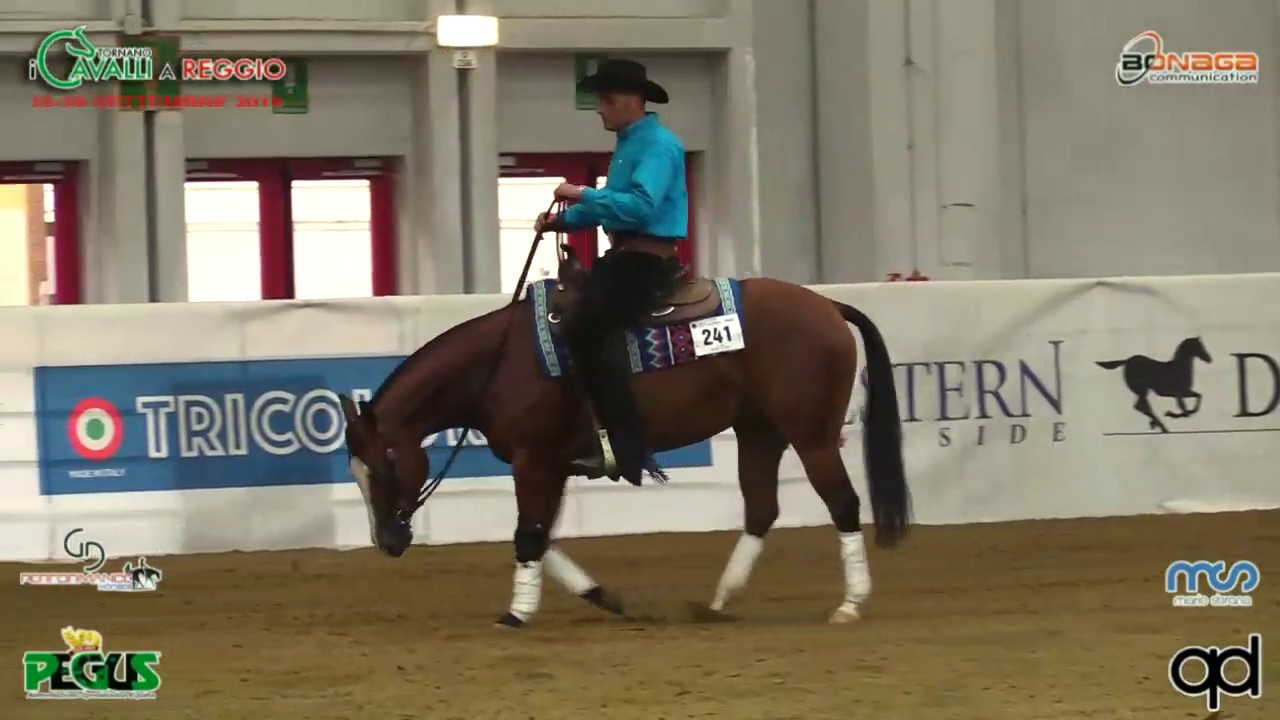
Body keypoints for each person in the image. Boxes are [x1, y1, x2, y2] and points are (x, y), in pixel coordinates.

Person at [535, 58, 688, 487]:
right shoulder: (630, 143)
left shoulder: (657, 145)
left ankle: (625, 444)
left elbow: (640, 206)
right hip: (625, 254)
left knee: (586, 326)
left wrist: (579, 192)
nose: (600, 108)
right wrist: (563, 221)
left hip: (644, 260)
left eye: (608, 99)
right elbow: (615, 205)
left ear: (634, 101)